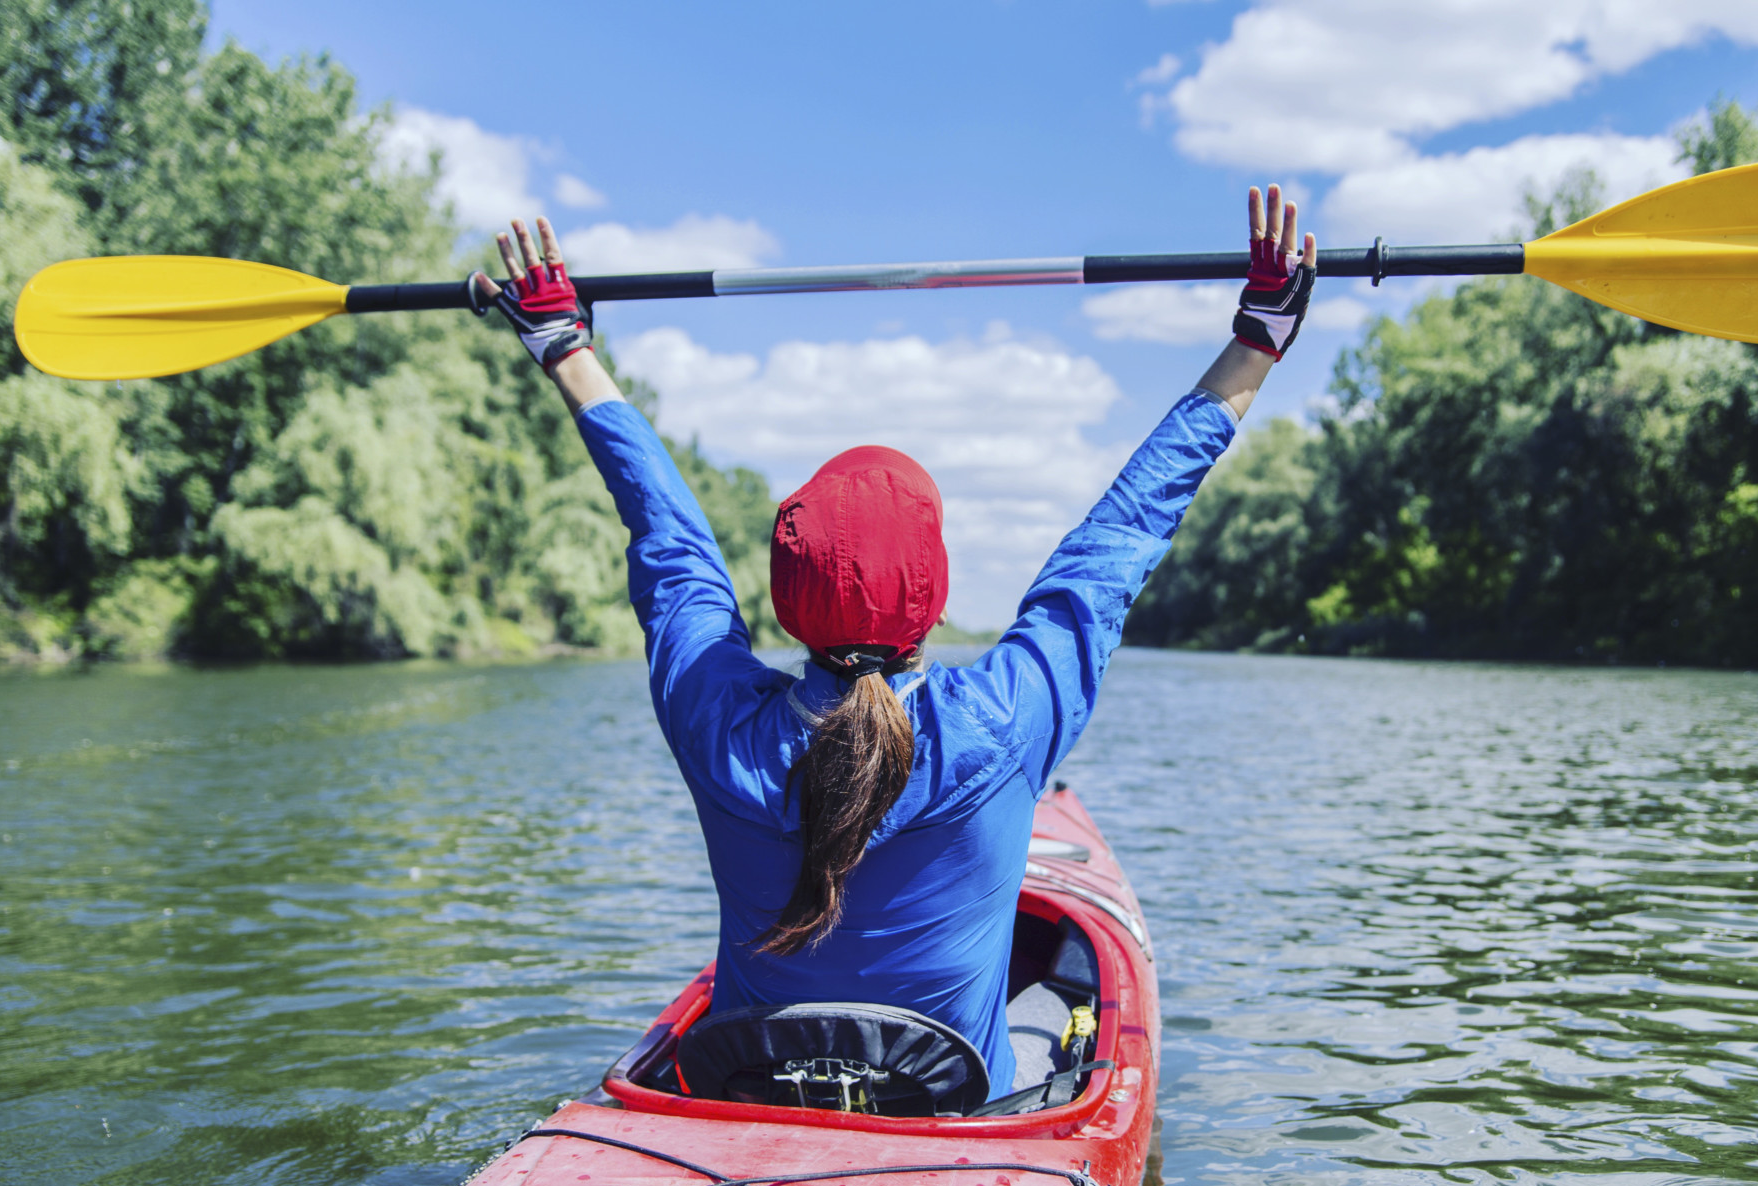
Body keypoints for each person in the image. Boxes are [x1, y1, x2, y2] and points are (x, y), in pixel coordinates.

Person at [473, 186, 1316, 1102]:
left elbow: (669, 542)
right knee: (1051, 999)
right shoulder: (1006, 715)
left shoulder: (715, 721)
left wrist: (566, 347)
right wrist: (1259, 335)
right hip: (950, 1104)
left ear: (789, 604)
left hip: (749, 1087)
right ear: (935, 596)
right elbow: (1119, 537)